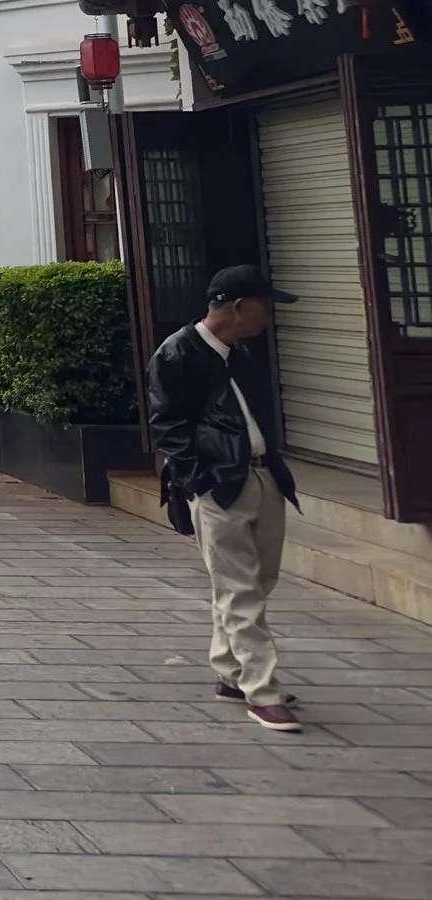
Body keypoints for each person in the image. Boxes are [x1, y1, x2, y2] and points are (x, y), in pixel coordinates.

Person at [148, 265, 303, 731]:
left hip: (263, 478)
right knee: (240, 590)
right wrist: (201, 483)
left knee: (257, 583)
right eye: (264, 306)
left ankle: (230, 671)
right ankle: (263, 691)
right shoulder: (177, 354)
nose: (267, 318)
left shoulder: (240, 353)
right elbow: (167, 426)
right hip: (221, 486)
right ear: (238, 307)